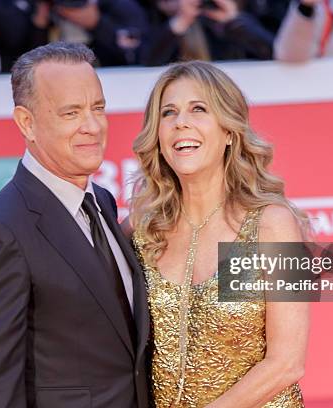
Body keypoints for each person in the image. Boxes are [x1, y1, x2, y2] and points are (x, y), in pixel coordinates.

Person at [0, 42, 150, 407]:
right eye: (71, 113)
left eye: (98, 108)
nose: (92, 126)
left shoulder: (102, 201)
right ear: (27, 122)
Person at [129, 60, 310, 407]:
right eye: (168, 113)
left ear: (229, 131)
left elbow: (287, 363)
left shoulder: (272, 224)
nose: (181, 122)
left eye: (199, 109)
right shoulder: (142, 232)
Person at [139, 0, 289, 66]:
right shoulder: (162, 23)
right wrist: (181, 21)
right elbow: (147, 61)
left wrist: (234, 20)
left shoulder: (241, 21)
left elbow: (275, 52)